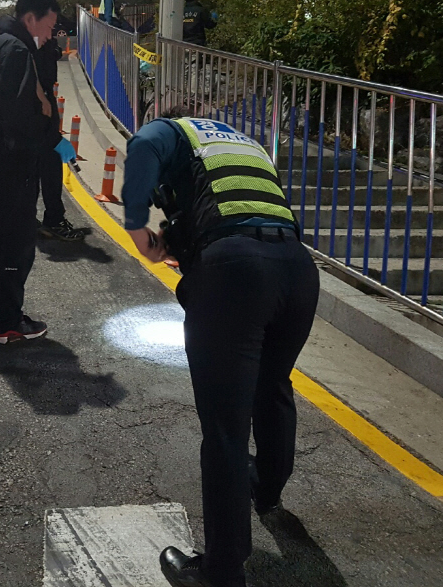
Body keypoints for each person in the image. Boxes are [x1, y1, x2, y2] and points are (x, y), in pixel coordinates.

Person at [122, 116, 320, 587]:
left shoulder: (173, 132)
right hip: (297, 268)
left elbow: (143, 147)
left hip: (234, 272)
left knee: (226, 429)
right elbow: (234, 211)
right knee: (273, 386)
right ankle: (266, 489)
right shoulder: (242, 145)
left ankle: (223, 572)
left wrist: (138, 230)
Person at [0, 0, 77, 344]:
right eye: (49, 26)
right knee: (17, 246)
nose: (51, 34)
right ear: (31, 18)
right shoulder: (16, 52)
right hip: (11, 165)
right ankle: (9, 323)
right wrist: (50, 134)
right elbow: (17, 120)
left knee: (2, 240)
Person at [29, 0, 84, 241]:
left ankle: (43, 218)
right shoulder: (29, 23)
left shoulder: (52, 19)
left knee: (45, 163)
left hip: (46, 100)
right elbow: (27, 66)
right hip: (34, 105)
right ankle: (50, 220)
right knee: (44, 164)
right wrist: (41, 101)